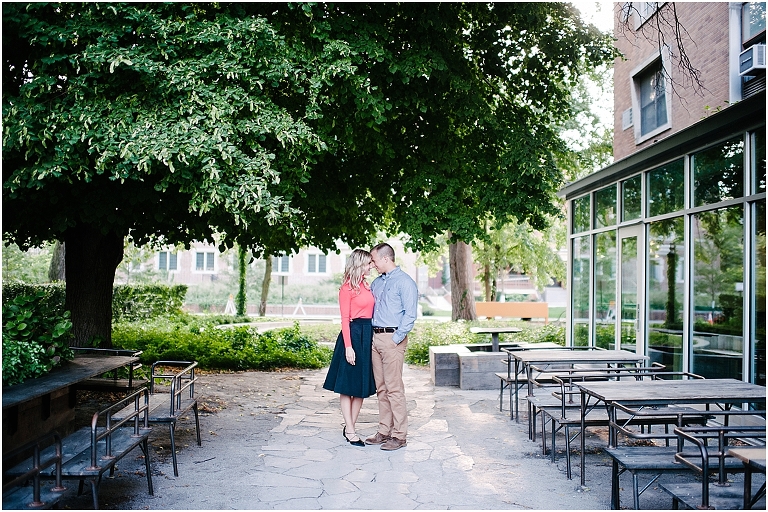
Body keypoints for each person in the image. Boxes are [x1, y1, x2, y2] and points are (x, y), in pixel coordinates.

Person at [365, 242, 418, 451]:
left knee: (394, 388)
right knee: (381, 388)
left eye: (375, 260)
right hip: (375, 339)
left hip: (392, 339)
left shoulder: (405, 282)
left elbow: (410, 314)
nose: (373, 264)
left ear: (386, 259)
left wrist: (395, 339)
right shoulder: (376, 283)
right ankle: (384, 431)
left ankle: (399, 435)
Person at [322, 249, 377, 447]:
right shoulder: (346, 288)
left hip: (367, 334)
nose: (372, 266)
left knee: (361, 386)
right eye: (368, 263)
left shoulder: (367, 285)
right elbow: (344, 319)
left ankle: (349, 426)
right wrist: (348, 347)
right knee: (347, 386)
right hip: (352, 334)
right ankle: (351, 429)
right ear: (360, 264)